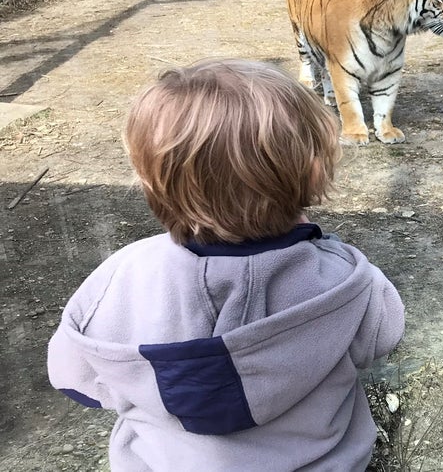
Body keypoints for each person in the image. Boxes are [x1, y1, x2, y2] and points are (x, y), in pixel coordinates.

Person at [47, 58, 405, 471]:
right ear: (313, 173)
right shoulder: (347, 280)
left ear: (151, 180)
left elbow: (76, 380)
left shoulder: (119, 277)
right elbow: (383, 337)